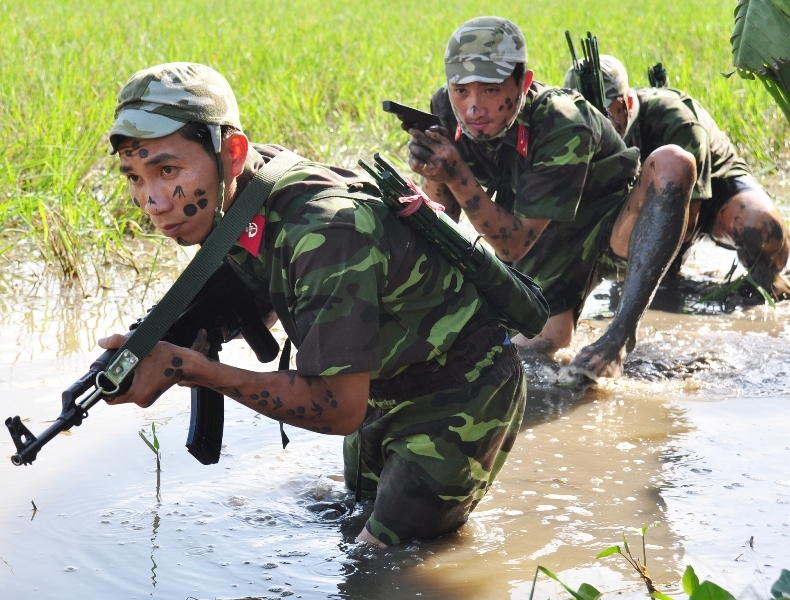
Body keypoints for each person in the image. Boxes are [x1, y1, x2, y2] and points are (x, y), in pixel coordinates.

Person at [98, 62, 540, 547]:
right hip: (382, 385)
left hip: (461, 391)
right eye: (135, 178)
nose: (153, 201)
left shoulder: (324, 232)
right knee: (355, 514)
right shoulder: (244, 192)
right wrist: (195, 331)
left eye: (167, 170)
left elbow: (336, 409)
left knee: (378, 563)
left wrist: (192, 368)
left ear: (232, 152)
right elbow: (262, 289)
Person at [406, 17, 697, 381]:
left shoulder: (563, 121)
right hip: (548, 238)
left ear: (523, 83)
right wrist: (433, 173)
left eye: (491, 90)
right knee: (536, 358)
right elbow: (440, 217)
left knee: (673, 163)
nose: (473, 107)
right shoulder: (448, 111)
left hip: (612, 229)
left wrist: (455, 174)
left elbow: (513, 246)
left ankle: (622, 333)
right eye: (461, 89)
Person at [563, 55, 790, 298]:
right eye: (586, 115)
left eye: (606, 113)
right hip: (647, 202)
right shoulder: (578, 133)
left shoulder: (676, 119)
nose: (597, 124)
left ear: (627, 103)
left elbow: (686, 224)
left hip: (712, 196)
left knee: (766, 233)